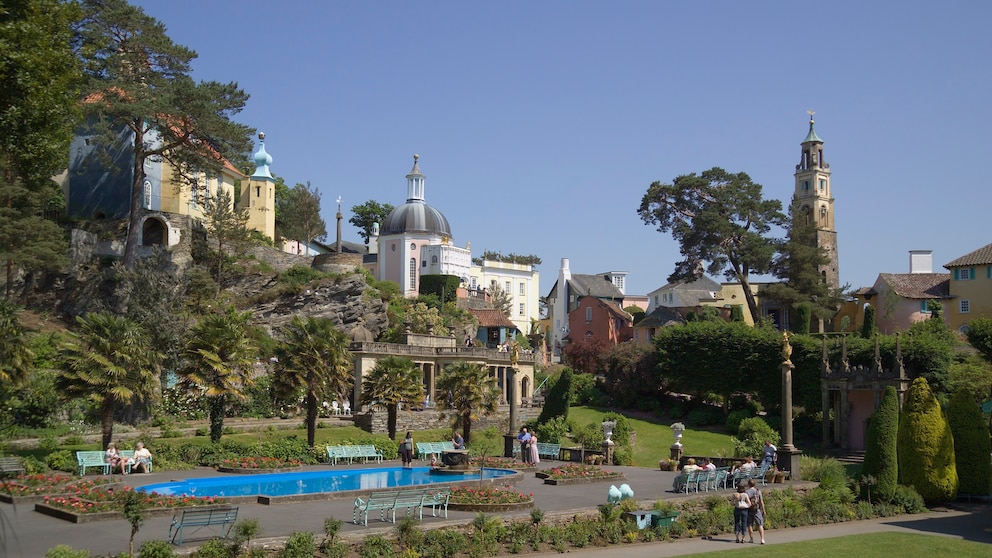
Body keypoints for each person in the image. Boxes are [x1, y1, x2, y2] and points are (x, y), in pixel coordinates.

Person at [746, 478, 766, 544]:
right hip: (757, 509)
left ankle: (751, 538)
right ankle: (762, 539)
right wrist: (763, 510)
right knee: (760, 524)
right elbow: (761, 501)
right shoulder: (758, 491)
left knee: (749, 524)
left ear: (748, 484)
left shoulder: (747, 492)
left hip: (749, 509)